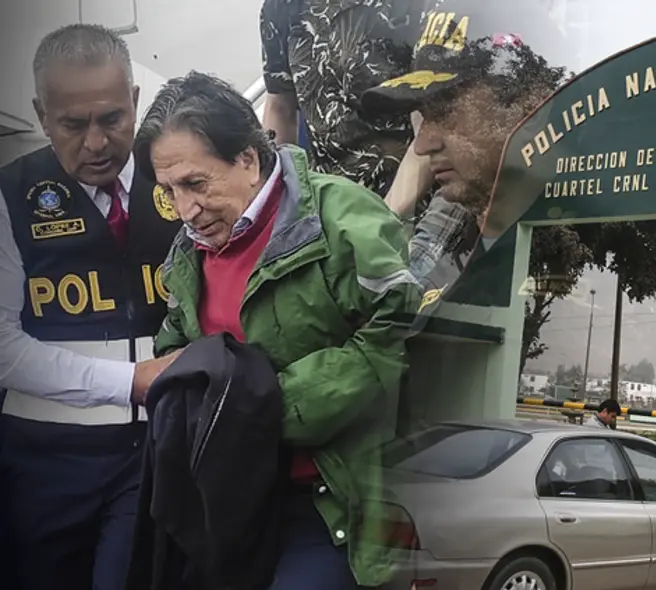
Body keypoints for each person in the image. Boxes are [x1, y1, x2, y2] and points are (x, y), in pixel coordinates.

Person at [133, 70, 421, 589]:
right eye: (169, 190)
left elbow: (393, 332)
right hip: (224, 503)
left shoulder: (340, 217)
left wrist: (264, 409)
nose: (185, 210)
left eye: (196, 184)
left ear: (247, 156)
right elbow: (175, 353)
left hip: (326, 503)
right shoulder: (186, 252)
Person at [0, 24, 183, 590]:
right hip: (43, 463)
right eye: (73, 126)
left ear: (134, 102)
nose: (97, 143)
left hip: (155, 452)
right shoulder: (10, 196)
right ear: (41, 114)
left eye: (111, 119)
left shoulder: (178, 178)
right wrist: (129, 381)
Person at [360, 0, 572, 306]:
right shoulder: (455, 228)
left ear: (528, 106)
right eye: (423, 114)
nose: (421, 146)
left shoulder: (586, 231)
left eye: (446, 112)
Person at [258, 0, 476, 291]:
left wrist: (376, 222)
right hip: (330, 215)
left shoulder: (422, 7)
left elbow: (437, 124)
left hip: (413, 209)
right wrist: (274, 212)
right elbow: (281, 107)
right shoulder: (282, 7)